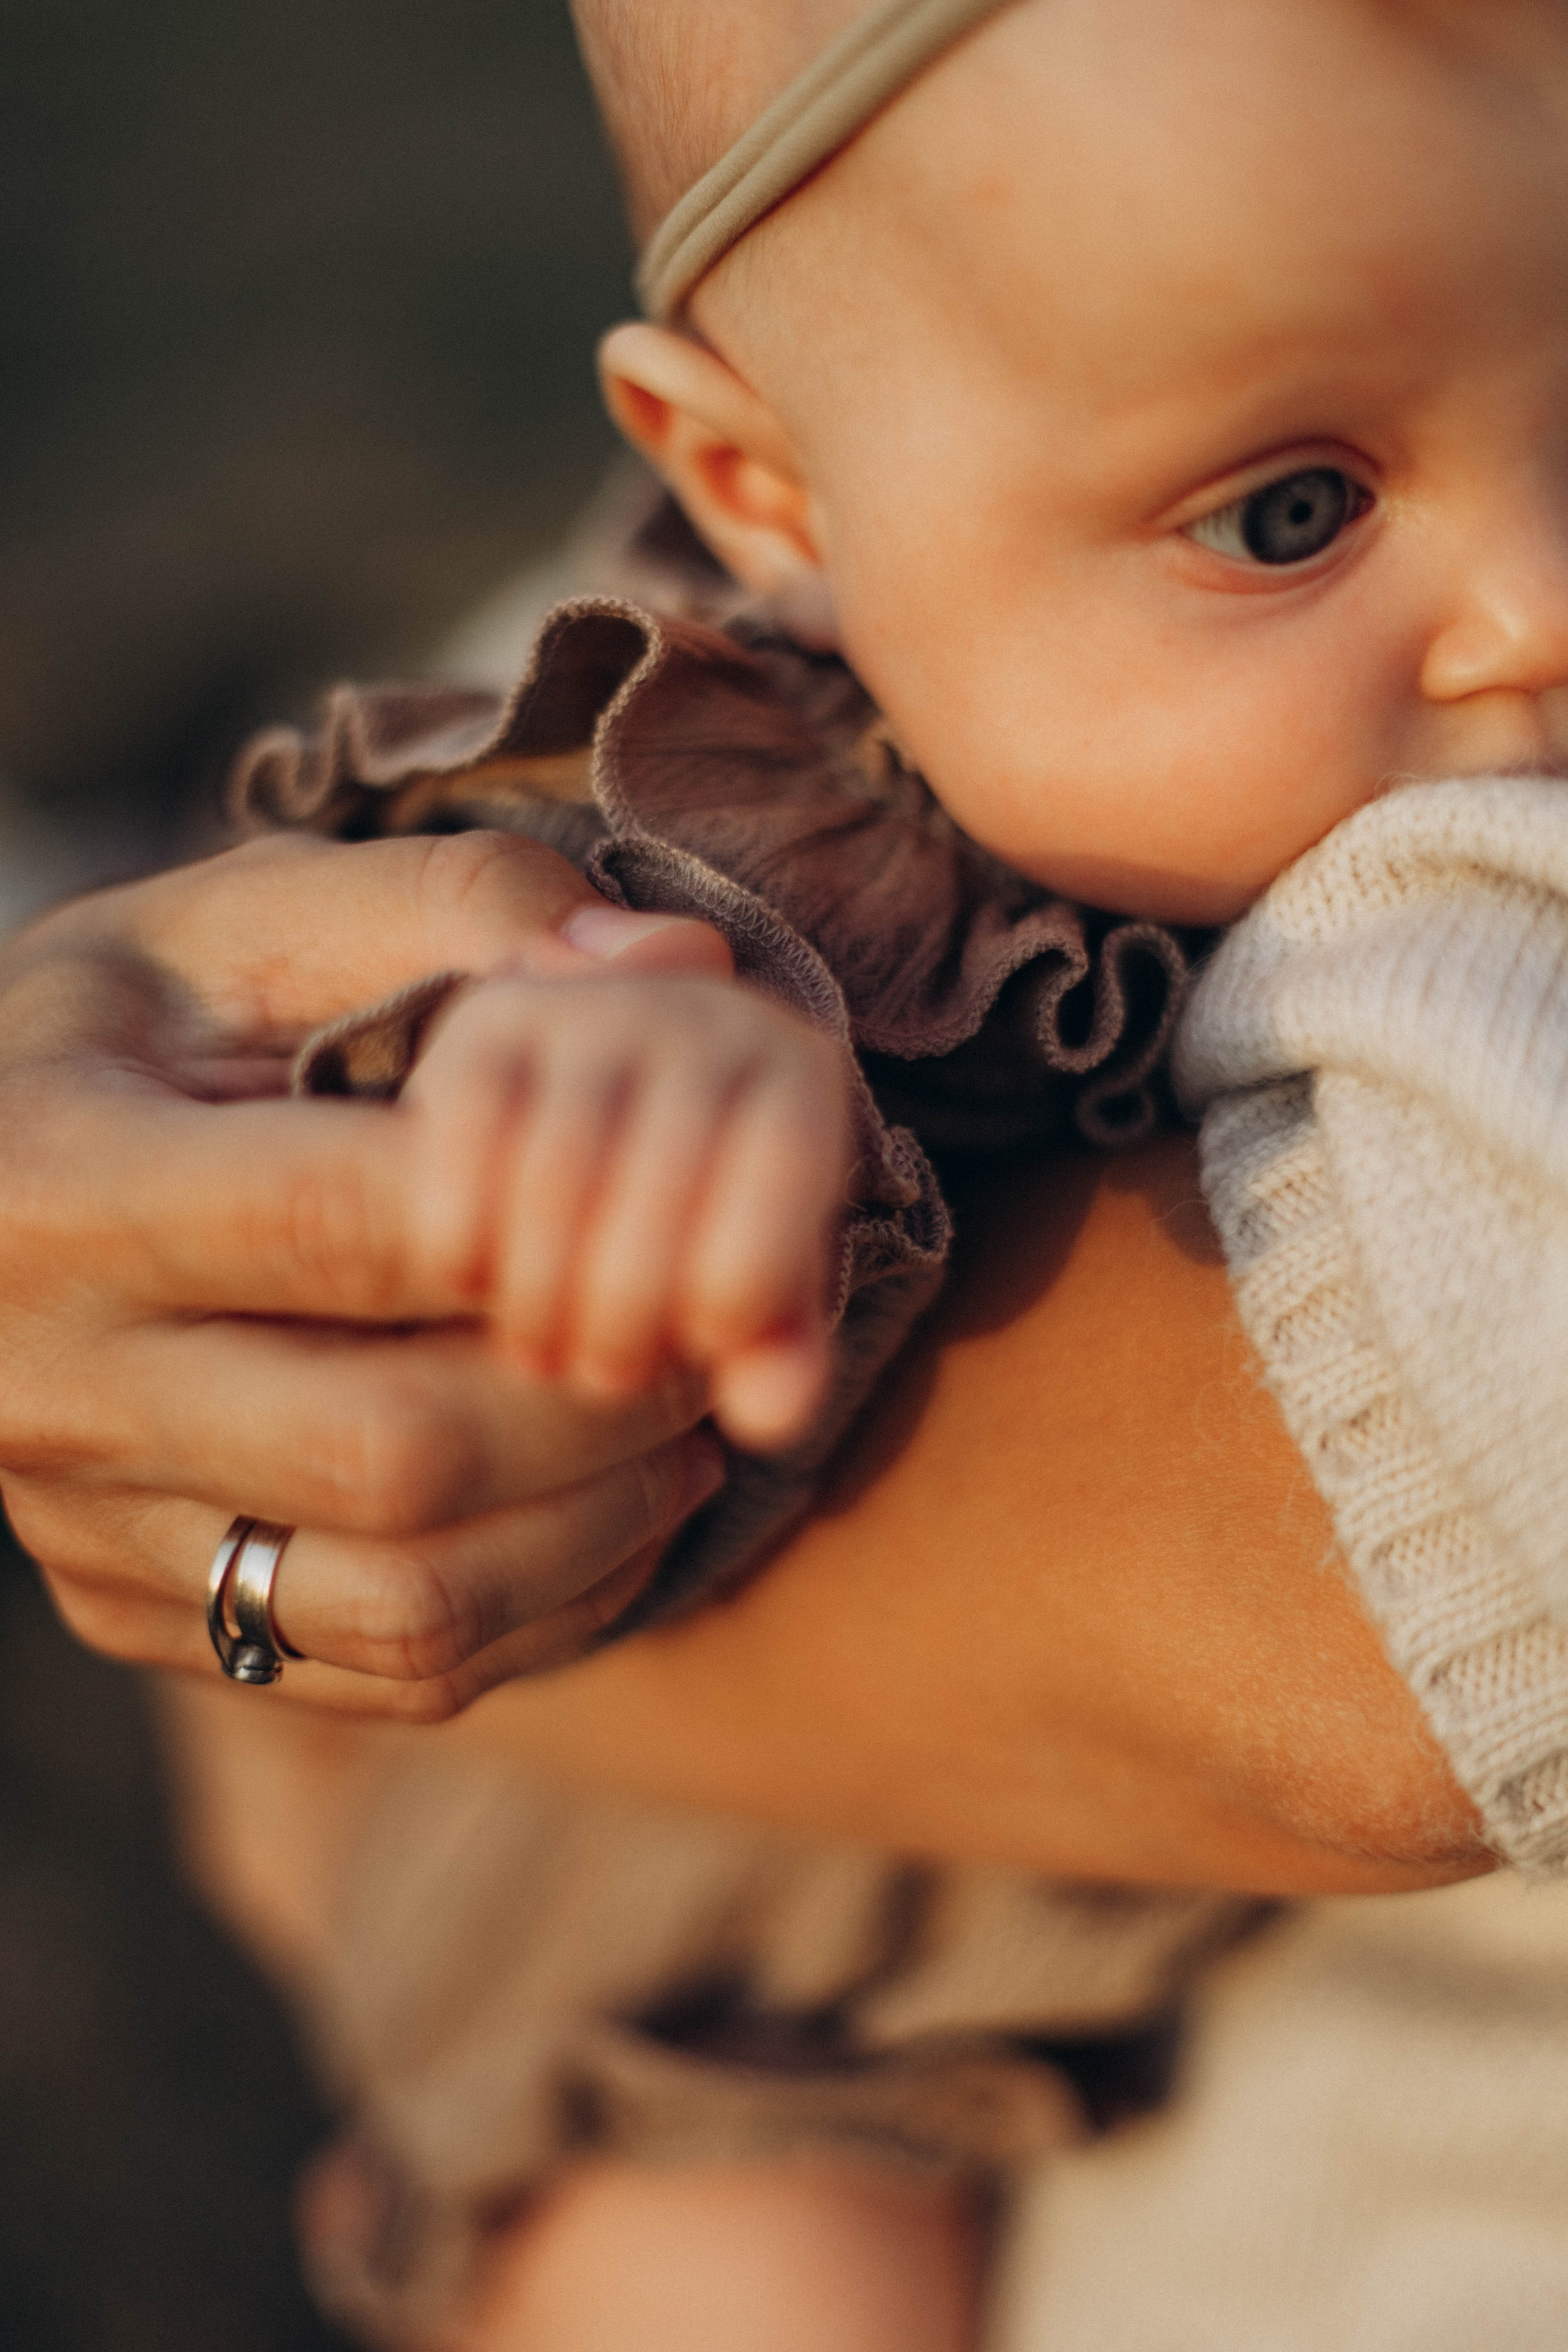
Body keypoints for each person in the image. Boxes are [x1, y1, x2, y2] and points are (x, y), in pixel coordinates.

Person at [7, 0, 1567, 2341]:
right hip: (731, 1942)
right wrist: (612, 1075)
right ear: (776, 502)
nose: (1542, 610)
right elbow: (530, 893)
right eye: (1289, 515)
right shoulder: (798, 793)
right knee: (732, 2280)